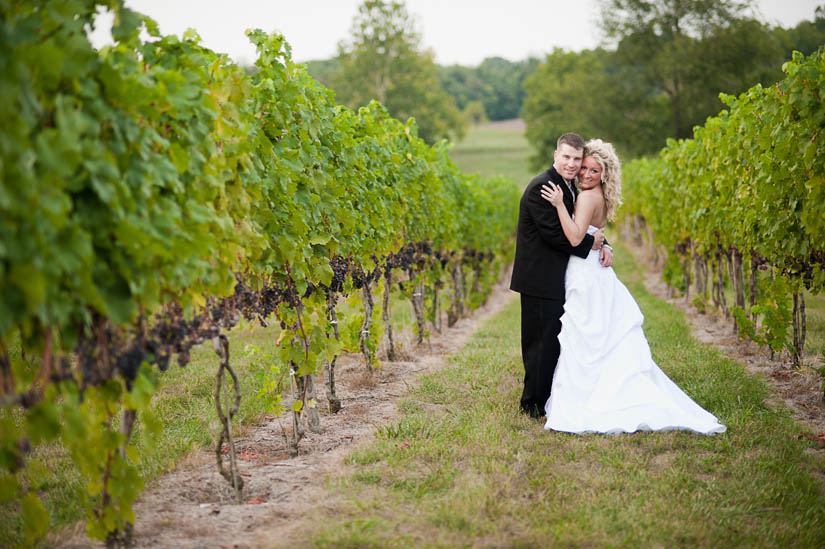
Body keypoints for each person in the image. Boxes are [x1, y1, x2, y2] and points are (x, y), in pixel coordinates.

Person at [540, 139, 726, 435]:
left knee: (585, 335)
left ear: (605, 173)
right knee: (593, 333)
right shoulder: (594, 194)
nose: (586, 174)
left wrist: (560, 204)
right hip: (591, 270)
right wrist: (603, 243)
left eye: (594, 170)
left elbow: (576, 238)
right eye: (584, 167)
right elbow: (592, 234)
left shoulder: (587, 197)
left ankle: (585, 400)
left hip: (585, 273)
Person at [509, 133, 612, 419]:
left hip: (557, 276)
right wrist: (591, 245)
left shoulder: (570, 187)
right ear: (556, 155)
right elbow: (555, 235)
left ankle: (548, 396)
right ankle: (531, 404)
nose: (571, 164)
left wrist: (603, 243)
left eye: (576, 159)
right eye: (566, 157)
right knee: (539, 344)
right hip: (539, 278)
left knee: (553, 341)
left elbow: (583, 225)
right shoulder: (542, 188)